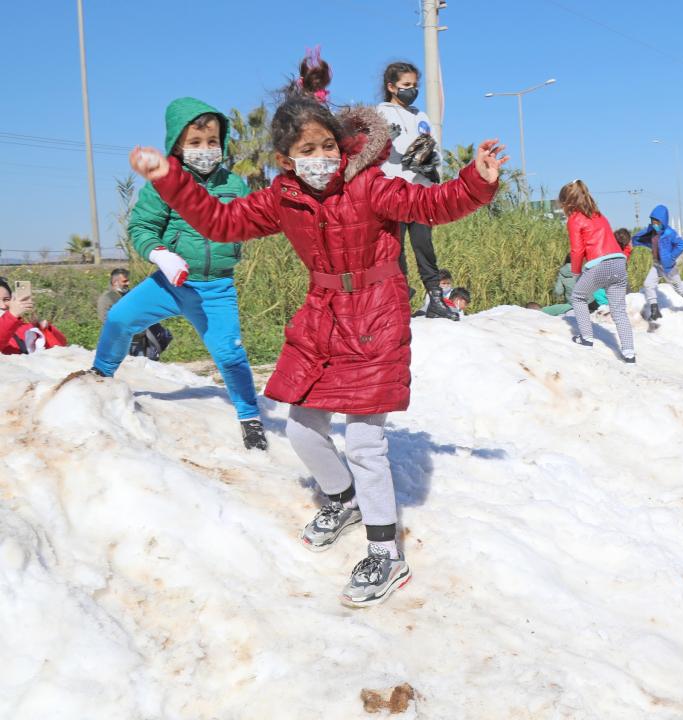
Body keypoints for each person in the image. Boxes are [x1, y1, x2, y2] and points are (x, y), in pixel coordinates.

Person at [128, 91, 504, 607]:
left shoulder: (369, 183)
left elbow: (429, 205)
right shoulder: (281, 198)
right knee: (302, 429)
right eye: (308, 150)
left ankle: (385, 553)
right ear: (287, 160)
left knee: (365, 443)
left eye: (329, 145)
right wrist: (168, 179)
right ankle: (344, 498)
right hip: (323, 315)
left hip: (376, 312)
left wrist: (476, 180)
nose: (323, 157)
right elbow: (221, 222)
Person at [91, 98, 265, 450]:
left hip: (215, 288)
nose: (205, 149)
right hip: (170, 283)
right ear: (177, 146)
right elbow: (141, 227)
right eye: (195, 142)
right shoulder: (163, 183)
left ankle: (250, 418)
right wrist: (161, 254)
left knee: (230, 354)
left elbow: (250, 221)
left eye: (212, 141)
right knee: (120, 318)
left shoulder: (234, 185)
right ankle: (99, 376)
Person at [376, 61, 455, 321]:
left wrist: (431, 162)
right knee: (395, 249)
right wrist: (410, 149)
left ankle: (435, 299)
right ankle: (399, 300)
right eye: (406, 85)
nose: (411, 89)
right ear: (392, 87)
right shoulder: (381, 112)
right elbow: (389, 147)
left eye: (414, 85)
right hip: (394, 190)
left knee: (425, 247)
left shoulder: (420, 115)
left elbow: (430, 144)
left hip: (421, 191)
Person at [561, 180, 635, 363]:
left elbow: (577, 250)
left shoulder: (574, 219)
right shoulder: (600, 215)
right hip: (619, 263)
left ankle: (586, 338)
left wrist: (576, 273)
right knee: (619, 311)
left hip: (599, 264)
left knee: (578, 296)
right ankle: (629, 353)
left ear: (567, 202)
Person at [632, 205, 683, 320]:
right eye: (653, 222)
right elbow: (639, 238)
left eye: (657, 222)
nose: (654, 224)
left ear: (663, 221)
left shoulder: (669, 233)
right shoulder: (651, 231)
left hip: (668, 267)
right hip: (656, 265)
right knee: (648, 284)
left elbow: (681, 244)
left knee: (678, 287)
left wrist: (671, 257)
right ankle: (655, 310)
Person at [0, 278, 68, 355]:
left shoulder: (25, 326)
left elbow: (61, 348)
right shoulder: (11, 319)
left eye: (6, 299)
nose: (3, 306)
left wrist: (46, 330)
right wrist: (12, 315)